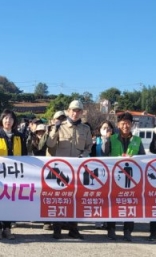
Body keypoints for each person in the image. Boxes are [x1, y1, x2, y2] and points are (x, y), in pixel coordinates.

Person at [41, 100, 93, 240]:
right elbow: (50, 144)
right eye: (73, 110)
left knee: (75, 199)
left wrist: (84, 155)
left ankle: (73, 228)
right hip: (61, 171)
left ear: (81, 113)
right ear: (68, 111)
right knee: (59, 199)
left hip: (77, 170)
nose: (75, 113)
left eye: (78, 111)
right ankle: (57, 228)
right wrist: (55, 129)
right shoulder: (60, 126)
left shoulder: (85, 129)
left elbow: (89, 146)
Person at [102, 111, 145, 242]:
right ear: (118, 125)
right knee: (113, 202)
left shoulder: (137, 140)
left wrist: (135, 159)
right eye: (123, 123)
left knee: (130, 203)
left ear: (131, 125)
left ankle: (127, 231)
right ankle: (111, 229)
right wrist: (105, 139)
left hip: (132, 178)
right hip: (115, 176)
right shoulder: (112, 138)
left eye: (128, 123)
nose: (125, 126)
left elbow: (143, 158)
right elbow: (104, 154)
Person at [0, 109, 26, 240]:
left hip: (14, 175)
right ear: (2, 120)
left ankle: (7, 228)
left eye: (11, 118)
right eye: (6, 118)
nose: (8, 121)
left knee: (10, 201)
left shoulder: (19, 135)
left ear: (14, 121)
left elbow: (25, 155)